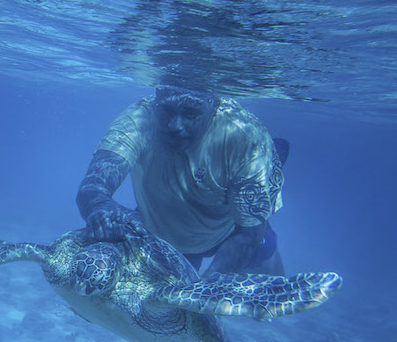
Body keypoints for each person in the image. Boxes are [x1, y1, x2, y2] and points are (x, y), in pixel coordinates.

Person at [76, 85, 288, 277]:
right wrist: (101, 207)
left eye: (190, 113)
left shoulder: (246, 137)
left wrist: (204, 291)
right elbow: (93, 187)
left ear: (214, 106)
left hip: (229, 233)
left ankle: (267, 166)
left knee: (276, 288)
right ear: (157, 98)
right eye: (167, 110)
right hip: (162, 236)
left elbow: (248, 236)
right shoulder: (138, 119)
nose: (174, 125)